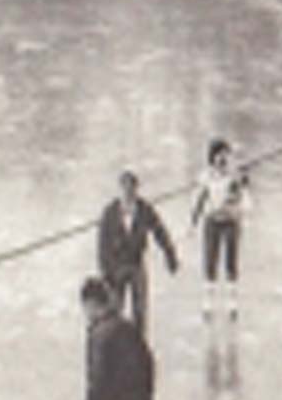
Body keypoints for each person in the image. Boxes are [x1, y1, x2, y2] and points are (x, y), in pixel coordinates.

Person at [98, 170, 178, 335]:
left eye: (131, 190)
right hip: (116, 266)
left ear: (136, 190)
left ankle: (139, 345)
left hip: (136, 264)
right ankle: (117, 344)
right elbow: (102, 243)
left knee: (140, 310)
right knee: (115, 309)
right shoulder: (110, 212)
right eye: (125, 190)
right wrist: (105, 271)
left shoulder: (144, 209)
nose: (128, 194)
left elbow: (159, 231)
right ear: (120, 190)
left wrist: (170, 255)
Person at [190, 138, 246, 320]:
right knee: (210, 261)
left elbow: (241, 192)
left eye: (225, 154)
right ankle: (208, 304)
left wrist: (239, 181)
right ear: (212, 157)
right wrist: (193, 222)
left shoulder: (233, 175)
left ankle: (232, 305)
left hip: (230, 221)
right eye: (219, 154)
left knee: (231, 262)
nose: (222, 158)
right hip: (212, 221)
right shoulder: (206, 176)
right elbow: (199, 200)